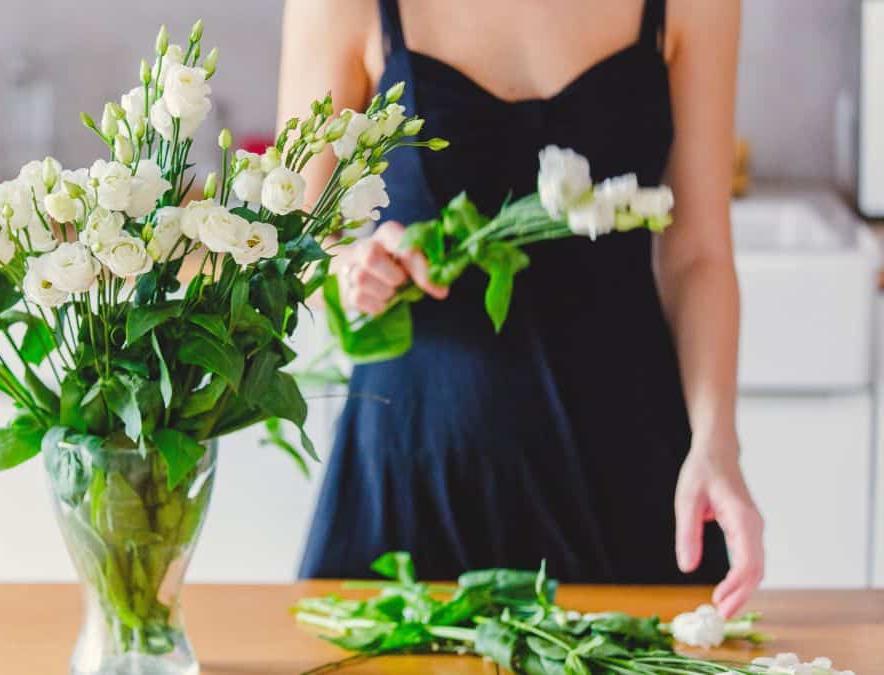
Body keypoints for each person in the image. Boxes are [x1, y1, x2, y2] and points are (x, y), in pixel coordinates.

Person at [278, 0, 763, 617]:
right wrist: (351, 268)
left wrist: (717, 442)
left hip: (629, 470)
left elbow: (699, 255)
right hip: (420, 472)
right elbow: (291, 246)